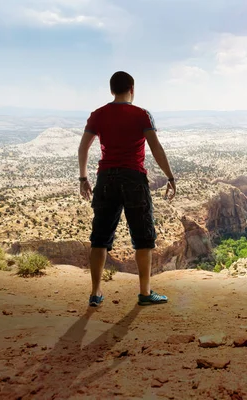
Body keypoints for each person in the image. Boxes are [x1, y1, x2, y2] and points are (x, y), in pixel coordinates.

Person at [78, 71, 176, 307]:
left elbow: (83, 148)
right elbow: (156, 147)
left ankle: (95, 293)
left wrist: (83, 178)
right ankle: (144, 293)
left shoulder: (98, 115)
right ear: (132, 88)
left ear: (112, 90)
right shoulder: (142, 115)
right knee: (143, 238)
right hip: (133, 178)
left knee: (100, 238)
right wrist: (170, 176)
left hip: (106, 179)